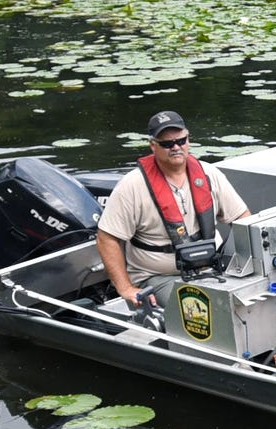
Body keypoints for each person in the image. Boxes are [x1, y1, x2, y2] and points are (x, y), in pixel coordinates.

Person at [95, 111, 227, 323]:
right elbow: (106, 239)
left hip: (211, 265)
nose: (176, 147)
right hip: (160, 276)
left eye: (181, 141)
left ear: (188, 139)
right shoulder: (131, 187)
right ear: (153, 146)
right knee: (205, 313)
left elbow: (242, 218)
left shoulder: (209, 174)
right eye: (167, 143)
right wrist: (126, 288)